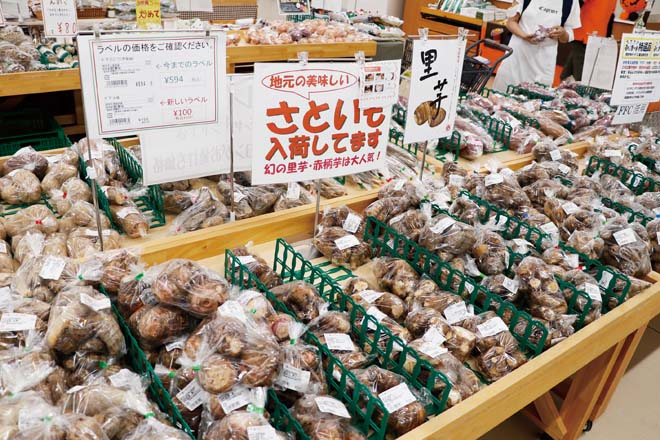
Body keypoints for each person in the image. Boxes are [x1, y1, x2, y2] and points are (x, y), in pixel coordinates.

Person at [493, 0, 582, 91]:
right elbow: (511, 22)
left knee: (534, 100)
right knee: (501, 96)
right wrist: (524, 36)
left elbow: (567, 37)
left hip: (544, 62)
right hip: (517, 56)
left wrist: (562, 33)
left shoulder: (570, 2)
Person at [561, 0, 617, 82]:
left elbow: (576, 4)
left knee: (579, 75)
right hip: (594, 35)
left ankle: (562, 88)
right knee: (578, 73)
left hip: (584, 33)